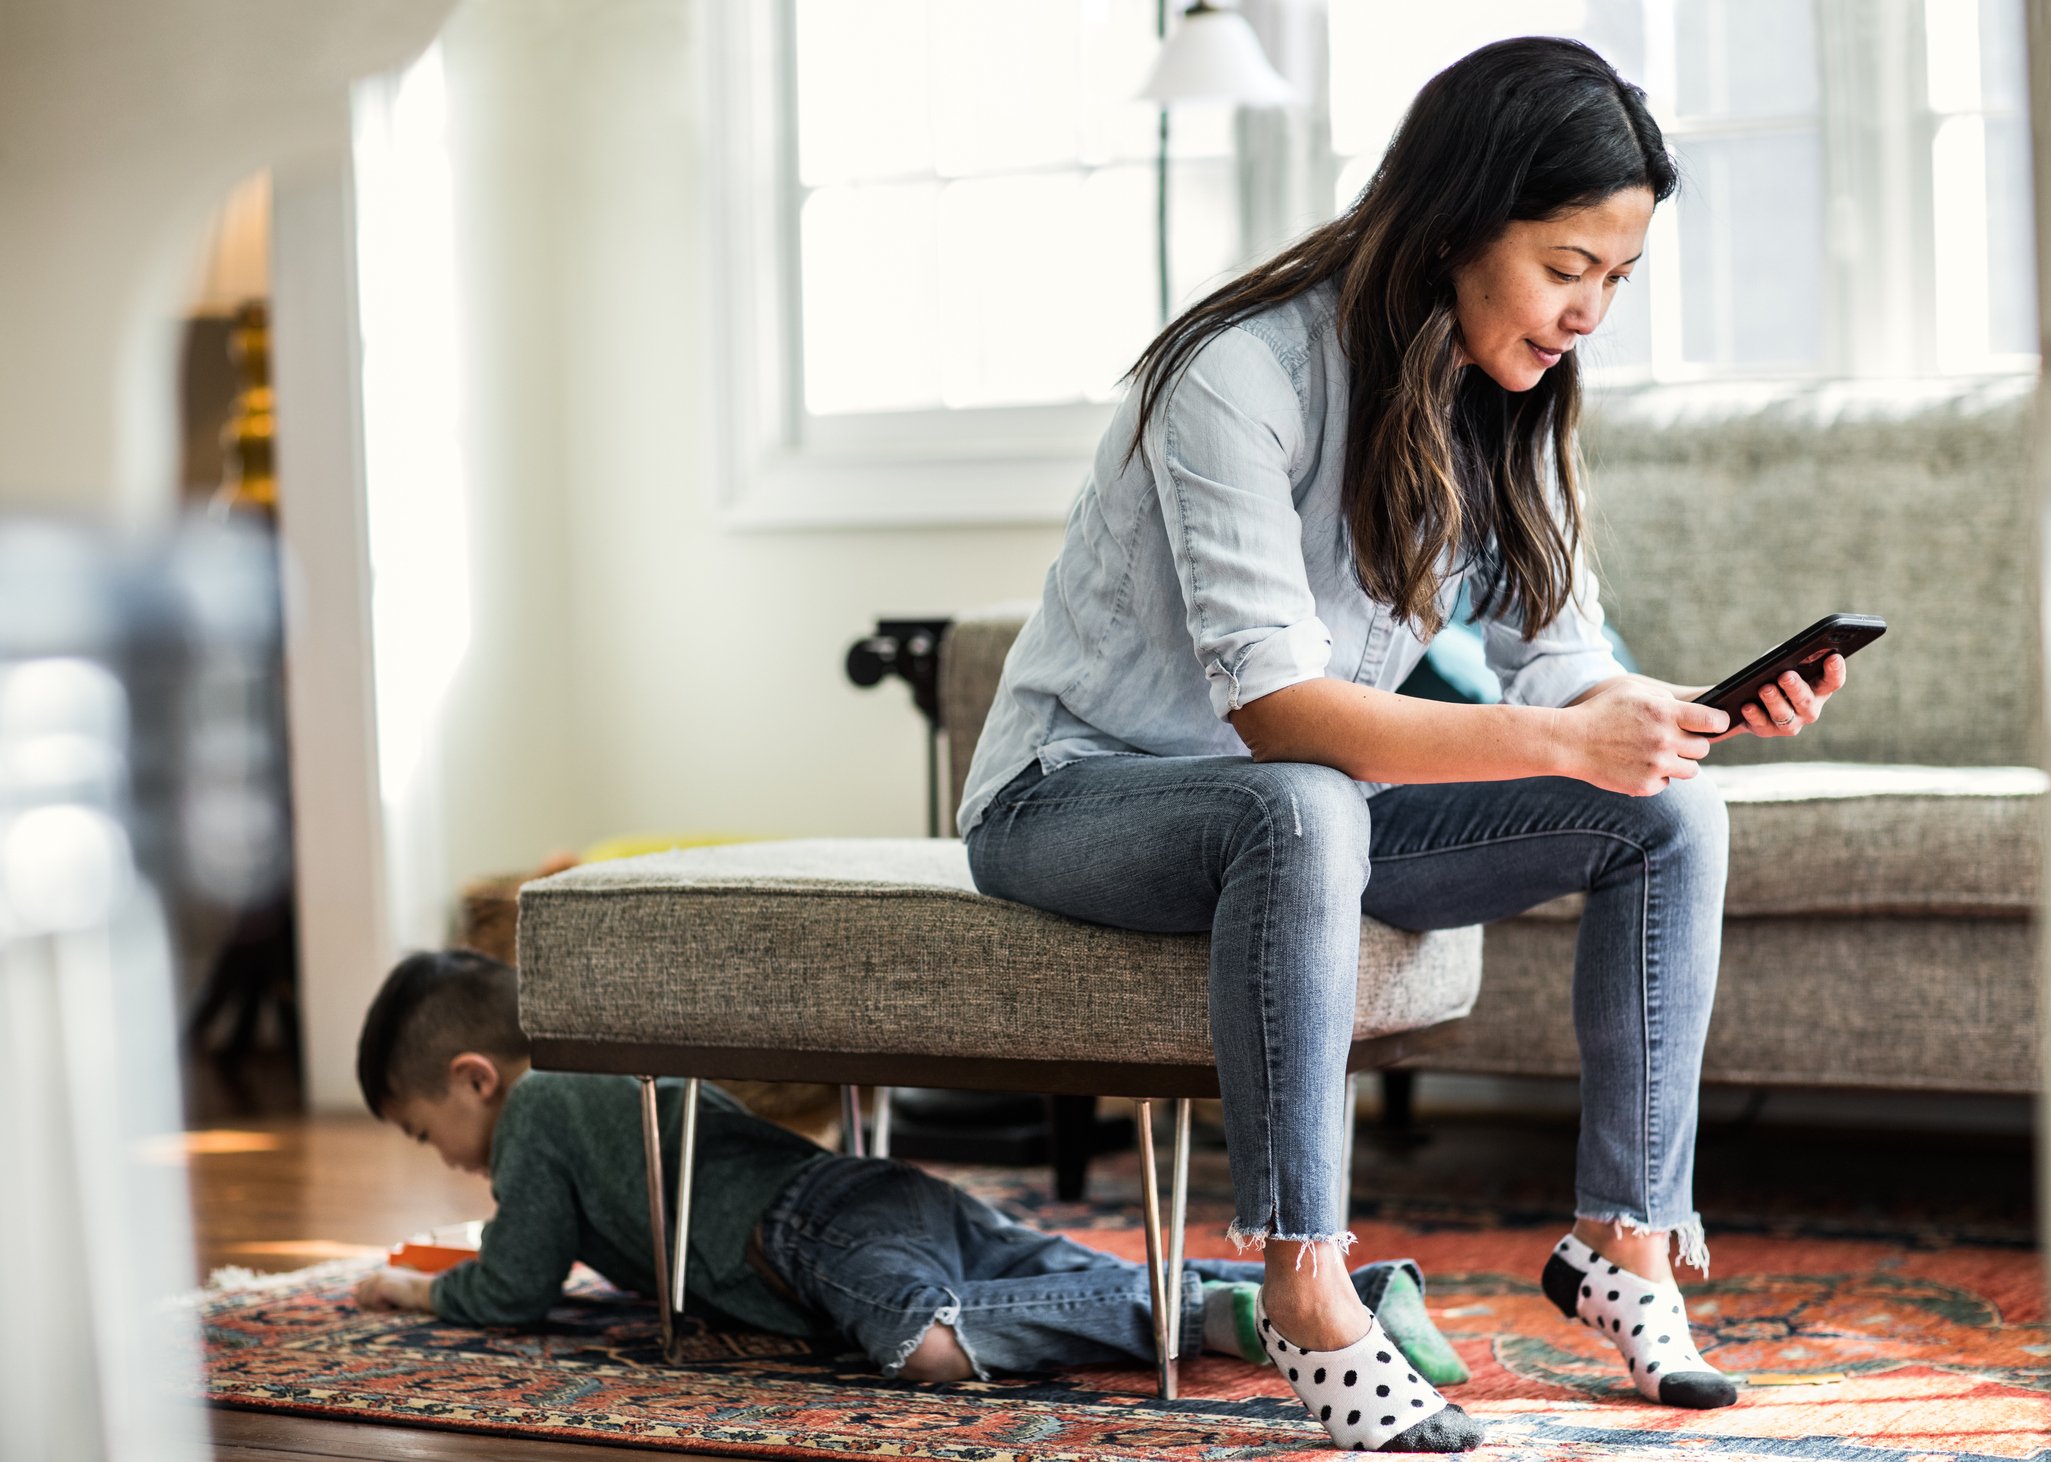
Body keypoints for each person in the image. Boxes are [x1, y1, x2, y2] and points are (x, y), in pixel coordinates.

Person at [958, 36, 1850, 1452]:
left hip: (1312, 810)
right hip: (1072, 795)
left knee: (1671, 815)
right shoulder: (1235, 375)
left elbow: (1559, 657)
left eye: (1614, 278)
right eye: (1567, 266)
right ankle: (1303, 1284)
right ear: (1452, 222)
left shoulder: (1512, 405)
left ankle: (1621, 1248)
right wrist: (1558, 739)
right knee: (1302, 800)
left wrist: (1667, 718)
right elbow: (1274, 712)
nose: (1587, 312)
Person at [350, 948, 1469, 1389]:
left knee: (934, 1347)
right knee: (1051, 1270)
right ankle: (1336, 1299)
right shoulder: (616, 1079)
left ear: (473, 1078)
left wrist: (419, 1285)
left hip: (810, 1239)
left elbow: (516, 1279)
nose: (440, 1159)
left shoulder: (539, 1108)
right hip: (868, 1195)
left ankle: (1250, 1317)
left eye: (420, 1130)